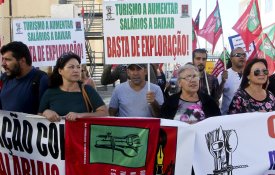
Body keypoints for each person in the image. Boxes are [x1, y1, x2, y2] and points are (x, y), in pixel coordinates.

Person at [38, 52, 108, 122]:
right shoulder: (50, 92)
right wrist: (45, 112)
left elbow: (105, 113)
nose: (76, 70)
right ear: (60, 71)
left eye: (78, 67)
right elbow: (38, 117)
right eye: (71, 67)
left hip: (81, 132)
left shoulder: (87, 90)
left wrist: (80, 115)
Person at [0, 41, 48, 114]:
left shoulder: (41, 79)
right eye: (2, 59)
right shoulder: (4, 78)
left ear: (22, 61)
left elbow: (46, 112)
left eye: (7, 60)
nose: (3, 64)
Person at [217, 47, 246, 114]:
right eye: (238, 55)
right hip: (228, 117)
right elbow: (216, 97)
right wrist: (223, 82)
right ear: (231, 58)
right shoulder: (224, 74)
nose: (242, 57)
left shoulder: (251, 74)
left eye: (244, 55)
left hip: (247, 117)